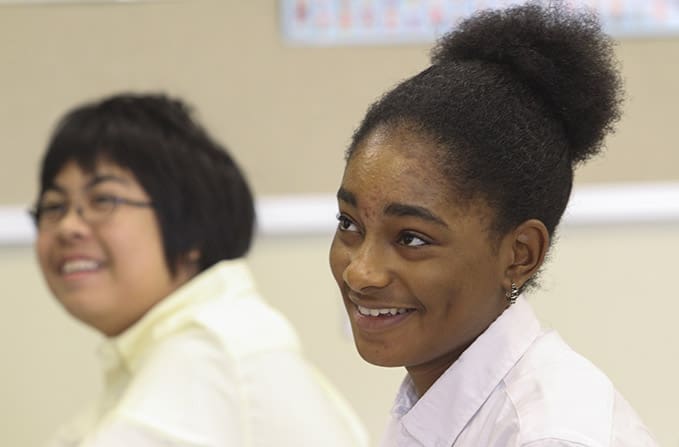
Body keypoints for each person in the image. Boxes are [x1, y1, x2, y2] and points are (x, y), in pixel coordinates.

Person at [328, 3, 658, 446]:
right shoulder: (434, 395)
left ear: (520, 255)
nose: (360, 271)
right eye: (349, 224)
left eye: (410, 238)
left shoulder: (548, 435)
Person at [32, 93, 368, 447]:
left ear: (191, 226)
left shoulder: (213, 349)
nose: (68, 226)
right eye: (53, 206)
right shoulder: (176, 347)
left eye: (102, 200)